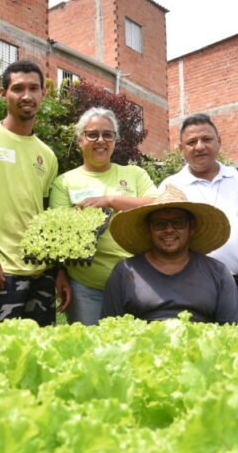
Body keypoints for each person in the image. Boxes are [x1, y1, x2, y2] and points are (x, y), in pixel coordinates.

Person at [0, 60, 71, 325]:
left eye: (33, 88)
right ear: (3, 93)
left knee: (38, 348)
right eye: (18, 88)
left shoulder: (47, 155)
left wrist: (58, 270)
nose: (26, 96)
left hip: (41, 272)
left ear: (43, 94)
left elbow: (45, 215)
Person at [160, 113, 238, 322]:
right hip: (195, 288)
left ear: (219, 142)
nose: (199, 146)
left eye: (206, 139)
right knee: (204, 342)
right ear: (181, 149)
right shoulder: (171, 186)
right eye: (191, 142)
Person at [48, 107, 157, 325]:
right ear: (80, 140)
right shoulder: (65, 182)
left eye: (108, 135)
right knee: (88, 344)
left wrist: (111, 200)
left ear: (115, 140)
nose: (101, 140)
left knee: (136, 343)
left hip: (137, 283)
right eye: (92, 135)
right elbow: (57, 235)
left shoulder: (134, 174)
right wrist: (59, 273)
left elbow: (158, 204)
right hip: (86, 288)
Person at [101, 186, 238, 323]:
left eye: (178, 222)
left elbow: (231, 328)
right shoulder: (125, 271)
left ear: (191, 227)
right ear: (148, 230)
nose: (169, 230)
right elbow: (109, 327)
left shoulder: (218, 273)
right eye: (159, 224)